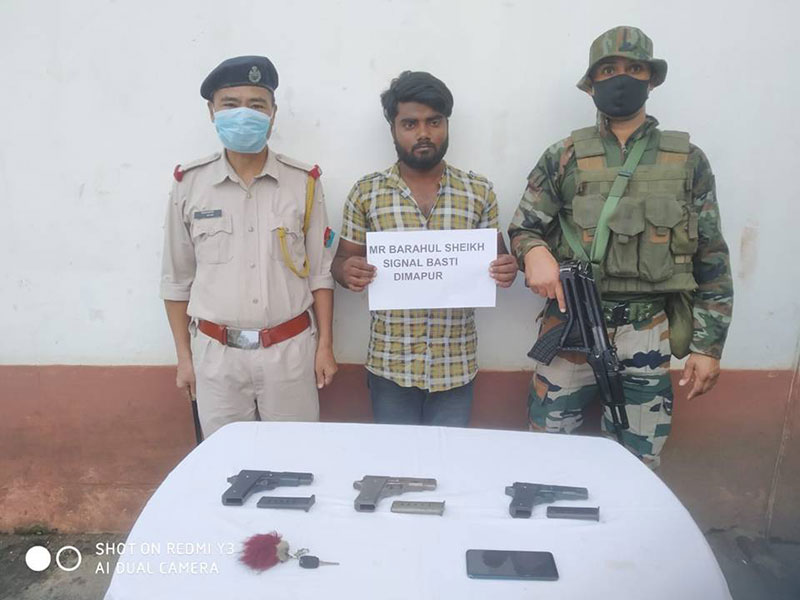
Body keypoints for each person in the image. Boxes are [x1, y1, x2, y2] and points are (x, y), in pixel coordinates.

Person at [508, 26, 733, 467]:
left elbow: (711, 257)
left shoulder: (688, 160)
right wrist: (533, 253)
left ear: (651, 79)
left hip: (648, 327)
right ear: (591, 84)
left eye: (634, 69)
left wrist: (708, 347)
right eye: (609, 70)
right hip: (570, 322)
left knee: (638, 461)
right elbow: (523, 228)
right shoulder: (564, 155)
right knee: (545, 453)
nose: (622, 78)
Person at [160, 55, 337, 438]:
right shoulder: (189, 184)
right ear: (212, 111)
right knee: (226, 462)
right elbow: (176, 280)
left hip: (289, 353)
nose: (244, 114)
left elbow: (321, 275)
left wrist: (325, 346)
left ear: (273, 114)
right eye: (230, 104)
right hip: (216, 357)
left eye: (257, 105)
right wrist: (184, 358)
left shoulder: (303, 182)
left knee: (295, 458)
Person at [333, 71, 517, 426]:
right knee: (396, 457)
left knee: (449, 456)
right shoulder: (366, 192)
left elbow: (498, 258)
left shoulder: (478, 191)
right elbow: (342, 261)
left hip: (455, 365)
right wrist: (346, 271)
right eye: (410, 123)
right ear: (393, 129)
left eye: (434, 121)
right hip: (390, 364)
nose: (423, 133)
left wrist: (506, 268)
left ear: (446, 124)